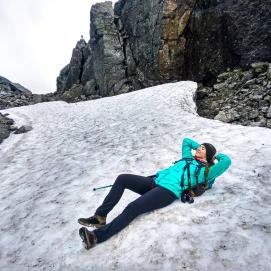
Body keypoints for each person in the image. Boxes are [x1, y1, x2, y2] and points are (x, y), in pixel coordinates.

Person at [78, 137, 231, 250]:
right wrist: (201, 147)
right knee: (122, 178)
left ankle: (96, 237)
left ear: (208, 155)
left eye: (203, 148)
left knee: (133, 207)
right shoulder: (187, 157)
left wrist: (213, 156)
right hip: (155, 182)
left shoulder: (207, 172)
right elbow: (186, 141)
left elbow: (226, 161)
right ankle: (100, 217)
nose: (199, 148)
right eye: (200, 146)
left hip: (168, 191)